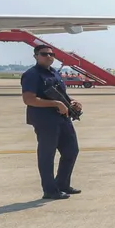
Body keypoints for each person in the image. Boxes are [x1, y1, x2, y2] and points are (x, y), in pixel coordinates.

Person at [20, 46, 82, 200]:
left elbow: (62, 95)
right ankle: (49, 190)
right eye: (44, 54)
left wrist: (72, 101)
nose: (49, 56)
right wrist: (55, 104)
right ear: (36, 56)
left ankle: (62, 184)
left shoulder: (54, 72)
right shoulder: (32, 75)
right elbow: (29, 99)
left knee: (71, 150)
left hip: (62, 117)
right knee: (47, 155)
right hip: (45, 120)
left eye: (51, 54)